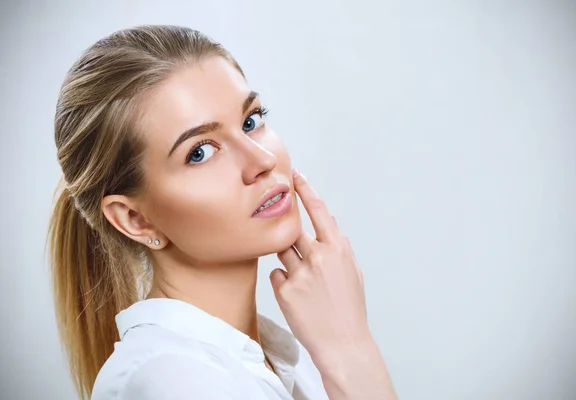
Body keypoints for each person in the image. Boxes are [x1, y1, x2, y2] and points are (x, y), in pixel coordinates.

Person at [47, 25, 397, 400]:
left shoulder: (285, 361)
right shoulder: (171, 380)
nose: (261, 160)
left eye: (251, 121)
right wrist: (350, 351)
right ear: (136, 219)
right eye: (199, 152)